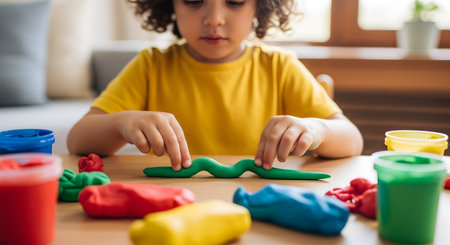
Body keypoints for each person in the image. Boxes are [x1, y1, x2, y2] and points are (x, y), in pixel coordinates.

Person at [67, 0, 363, 171]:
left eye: (234, 1)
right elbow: (78, 140)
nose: (214, 19)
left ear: (259, 7)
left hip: (259, 204)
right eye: (194, 0)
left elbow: (352, 139)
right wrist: (122, 122)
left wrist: (317, 129)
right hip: (171, 204)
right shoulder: (150, 65)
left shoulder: (279, 66)